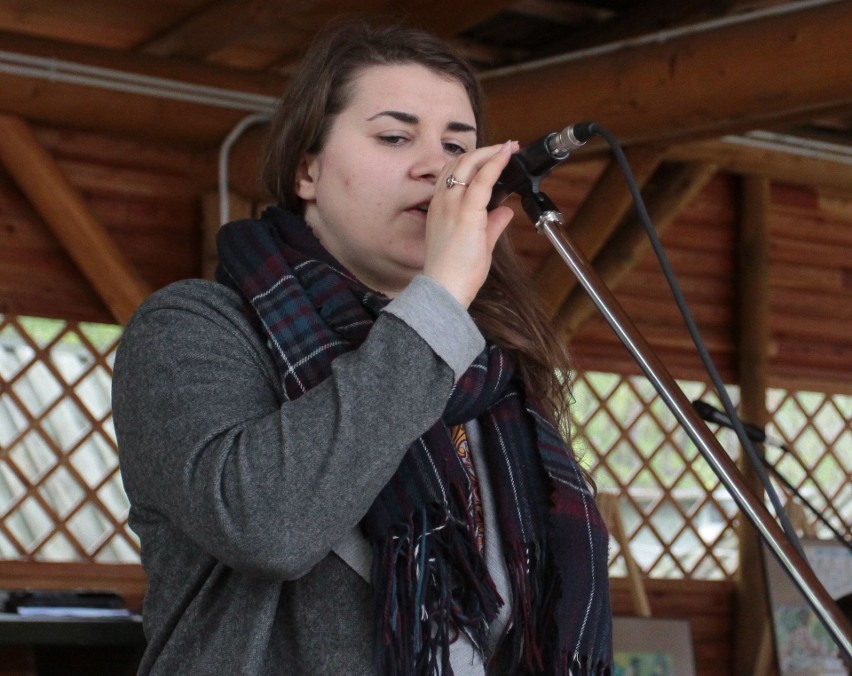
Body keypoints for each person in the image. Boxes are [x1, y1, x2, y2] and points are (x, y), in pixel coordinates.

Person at [113, 19, 612, 676]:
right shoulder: (192, 327)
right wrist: (439, 296)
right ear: (308, 170)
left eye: (458, 144)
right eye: (394, 136)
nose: (438, 165)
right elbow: (269, 527)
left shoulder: (489, 367)